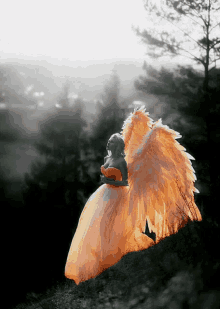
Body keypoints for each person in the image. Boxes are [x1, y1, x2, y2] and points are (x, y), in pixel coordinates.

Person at [65, 106, 202, 285]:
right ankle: (95, 265)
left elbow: (124, 183)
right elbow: (107, 176)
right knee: (97, 226)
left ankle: (112, 261)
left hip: (117, 195)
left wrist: (110, 180)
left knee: (113, 227)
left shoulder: (122, 161)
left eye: (112, 143)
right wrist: (105, 178)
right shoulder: (108, 160)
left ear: (117, 146)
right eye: (109, 143)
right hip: (103, 195)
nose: (109, 145)